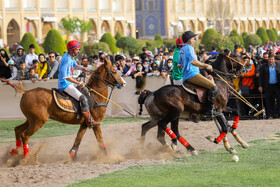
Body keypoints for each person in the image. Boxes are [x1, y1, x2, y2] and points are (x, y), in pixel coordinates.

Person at [58, 40, 100, 127]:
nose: (79, 51)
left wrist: (82, 68)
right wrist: (78, 83)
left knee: (85, 89)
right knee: (83, 98)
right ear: (72, 50)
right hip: (65, 84)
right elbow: (65, 77)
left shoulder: (70, 57)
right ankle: (89, 121)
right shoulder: (66, 60)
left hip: (69, 82)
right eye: (77, 49)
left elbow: (75, 66)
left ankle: (86, 114)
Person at [178, 31, 217, 116]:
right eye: (193, 38)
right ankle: (209, 110)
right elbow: (193, 61)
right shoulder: (189, 48)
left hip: (186, 75)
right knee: (213, 87)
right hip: (193, 75)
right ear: (189, 40)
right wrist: (206, 65)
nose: (195, 40)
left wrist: (197, 66)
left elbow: (179, 65)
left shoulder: (181, 50)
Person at [258, 54, 280, 119]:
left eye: (272, 59)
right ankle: (270, 114)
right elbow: (260, 77)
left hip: (277, 86)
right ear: (268, 59)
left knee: (279, 100)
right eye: (269, 59)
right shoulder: (263, 66)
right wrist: (260, 86)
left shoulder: (278, 65)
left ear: (274, 60)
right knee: (269, 101)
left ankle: (278, 113)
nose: (271, 61)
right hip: (268, 86)